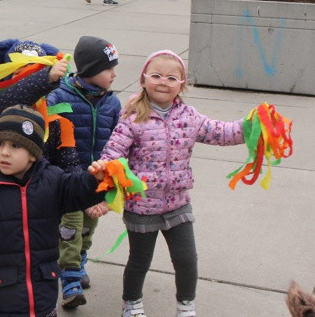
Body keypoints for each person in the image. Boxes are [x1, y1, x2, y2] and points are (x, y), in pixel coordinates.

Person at [99, 50, 246, 317]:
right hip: (141, 205)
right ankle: (131, 304)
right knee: (140, 260)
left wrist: (249, 127)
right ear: (143, 80)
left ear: (181, 84)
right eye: (156, 75)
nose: (163, 82)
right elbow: (112, 153)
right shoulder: (133, 117)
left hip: (178, 204)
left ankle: (186, 306)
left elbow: (220, 132)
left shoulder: (188, 117)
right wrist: (106, 170)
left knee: (187, 260)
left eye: (171, 77)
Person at [0, 104, 109, 317]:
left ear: (33, 154)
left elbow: (78, 190)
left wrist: (95, 181)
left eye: (15, 146)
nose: (4, 151)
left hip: (43, 294)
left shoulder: (53, 180)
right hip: (2, 298)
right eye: (0, 143)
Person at [47, 35, 122, 308]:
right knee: (70, 228)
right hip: (68, 179)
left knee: (88, 229)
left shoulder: (112, 104)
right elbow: (51, 136)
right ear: (89, 70)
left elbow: (118, 142)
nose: (114, 74)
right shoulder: (60, 96)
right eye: (107, 68)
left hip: (96, 181)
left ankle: (79, 262)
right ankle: (70, 280)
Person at [0, 39, 77, 172]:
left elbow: (69, 164)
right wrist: (46, 77)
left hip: (41, 188)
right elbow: (15, 95)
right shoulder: (1, 106)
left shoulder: (55, 121)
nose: (24, 79)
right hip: (2, 185)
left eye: (32, 73)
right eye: (18, 74)